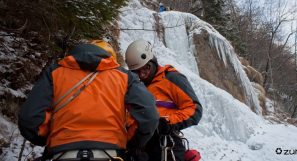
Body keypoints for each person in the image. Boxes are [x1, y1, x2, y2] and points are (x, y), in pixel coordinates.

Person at [18, 40, 159, 161]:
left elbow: (30, 119)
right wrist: (131, 141)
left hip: (62, 153)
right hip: (111, 153)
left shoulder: (55, 73)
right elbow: (149, 115)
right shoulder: (124, 77)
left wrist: (51, 139)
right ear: (111, 58)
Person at [125, 40, 203, 161]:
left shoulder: (171, 78)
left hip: (164, 145)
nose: (141, 75)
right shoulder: (136, 87)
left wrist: (164, 124)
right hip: (138, 149)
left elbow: (194, 109)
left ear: (153, 61)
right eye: (135, 72)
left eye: (144, 69)